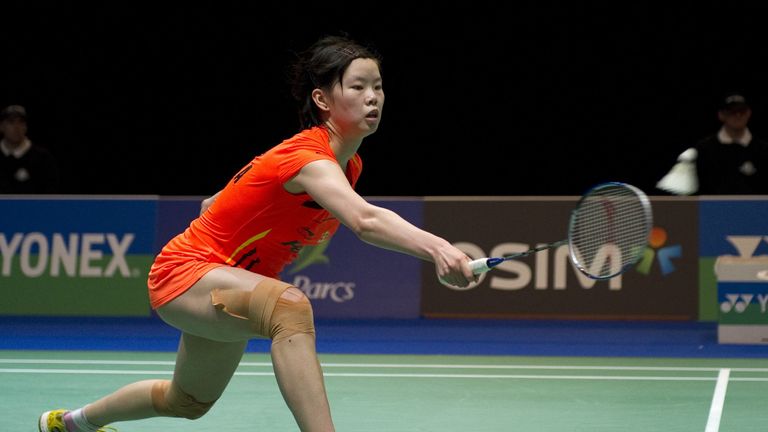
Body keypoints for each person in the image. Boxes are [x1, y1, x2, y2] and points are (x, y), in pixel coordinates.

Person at [38, 34, 476, 432]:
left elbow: (214, 203)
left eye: (378, 86)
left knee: (186, 401)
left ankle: (70, 424)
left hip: (229, 284)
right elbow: (364, 220)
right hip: (185, 274)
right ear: (323, 99)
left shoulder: (347, 165)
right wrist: (438, 248)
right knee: (290, 308)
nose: (373, 97)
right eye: (358, 86)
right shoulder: (308, 156)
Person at [657, 93, 768, 195]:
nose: (738, 115)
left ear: (749, 113)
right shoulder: (703, 149)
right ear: (721, 115)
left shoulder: (762, 149)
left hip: (754, 213)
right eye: (732, 111)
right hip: (710, 212)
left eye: (742, 111)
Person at [0, 104, 60, 194]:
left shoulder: (43, 158)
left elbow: (52, 194)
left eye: (21, 122)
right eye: (11, 122)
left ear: (26, 127)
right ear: (2, 126)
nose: (16, 127)